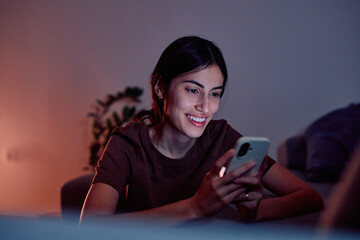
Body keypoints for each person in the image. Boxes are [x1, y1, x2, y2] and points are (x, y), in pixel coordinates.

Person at [80, 36, 324, 225]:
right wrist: (194, 207)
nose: (206, 107)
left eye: (215, 93)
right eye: (193, 90)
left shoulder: (222, 137)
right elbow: (89, 229)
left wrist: (253, 211)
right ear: (160, 88)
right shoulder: (127, 144)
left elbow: (310, 197)